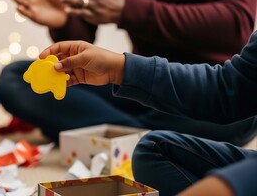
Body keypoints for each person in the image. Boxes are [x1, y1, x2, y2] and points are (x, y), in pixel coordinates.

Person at [0, 0, 257, 145]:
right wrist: (66, 19)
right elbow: (80, 47)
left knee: (244, 112)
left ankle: (117, 133)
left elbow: (235, 24)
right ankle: (143, 138)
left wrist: (125, 8)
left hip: (205, 88)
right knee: (16, 78)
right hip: (138, 85)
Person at [40, 32, 257, 196]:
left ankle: (124, 129)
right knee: (151, 148)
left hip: (217, 121)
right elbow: (229, 87)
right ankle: (130, 129)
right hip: (158, 98)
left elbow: (231, 26)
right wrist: (119, 69)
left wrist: (124, 7)